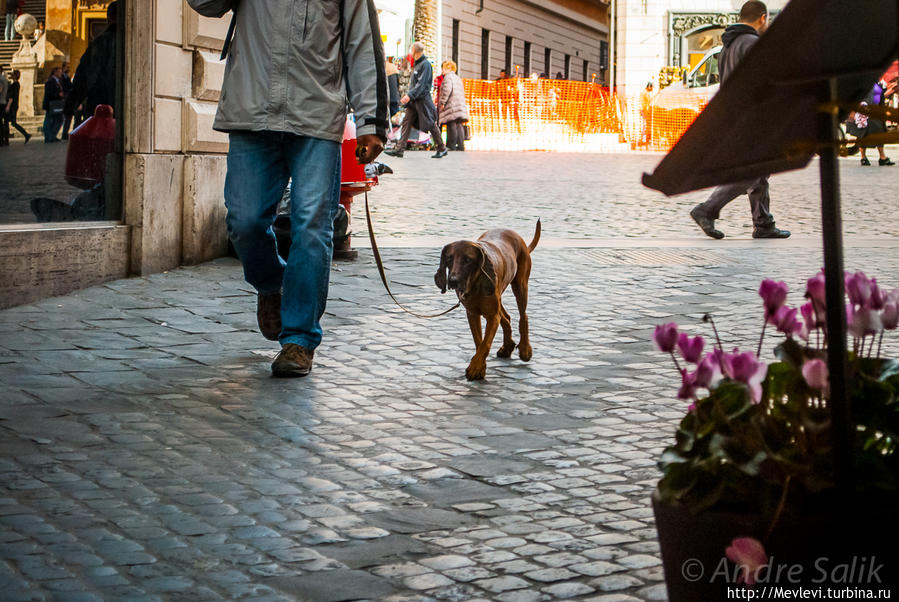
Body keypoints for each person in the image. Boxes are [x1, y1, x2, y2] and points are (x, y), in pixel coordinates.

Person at [187, 0, 388, 378]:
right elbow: (204, 4)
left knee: (312, 224)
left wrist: (370, 121)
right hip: (252, 109)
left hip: (315, 115)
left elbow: (362, 44)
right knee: (244, 221)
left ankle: (298, 339)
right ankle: (271, 283)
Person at [689, 0, 790, 240]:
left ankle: (763, 223)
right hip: (753, 117)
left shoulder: (728, 45)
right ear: (762, 18)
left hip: (735, 116)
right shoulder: (753, 44)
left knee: (760, 172)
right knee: (754, 172)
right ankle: (707, 209)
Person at [384, 41, 447, 159]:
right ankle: (399, 149)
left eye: (411, 50)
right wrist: (410, 96)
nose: (410, 53)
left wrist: (409, 96)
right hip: (414, 101)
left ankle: (441, 148)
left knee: (430, 123)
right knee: (406, 123)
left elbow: (421, 85)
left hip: (422, 100)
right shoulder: (418, 64)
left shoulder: (425, 65)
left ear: (414, 51)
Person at [66, 2, 117, 126]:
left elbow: (84, 75)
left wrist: (71, 104)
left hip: (101, 108)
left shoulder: (101, 42)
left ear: (108, 18)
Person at [848, 80, 895, 167]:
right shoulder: (863, 83)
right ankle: (863, 158)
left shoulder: (878, 84)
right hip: (864, 112)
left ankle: (882, 157)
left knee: (880, 134)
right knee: (862, 135)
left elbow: (881, 97)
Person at [438, 60, 470, 151]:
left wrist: (443, 102)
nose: (442, 71)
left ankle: (451, 145)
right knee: (459, 124)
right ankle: (460, 145)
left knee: (451, 123)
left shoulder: (448, 78)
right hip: (459, 104)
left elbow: (447, 91)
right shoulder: (457, 78)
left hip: (451, 104)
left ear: (448, 68)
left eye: (444, 69)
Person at [3, 69, 29, 144]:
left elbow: (11, 97)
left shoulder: (15, 85)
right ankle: (25, 134)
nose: (11, 76)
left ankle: (25, 134)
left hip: (12, 106)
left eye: (13, 75)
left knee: (10, 122)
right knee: (9, 122)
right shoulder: (15, 84)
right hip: (13, 105)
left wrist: (8, 106)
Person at [42, 66, 65, 143]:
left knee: (59, 119)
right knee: (49, 120)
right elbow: (49, 93)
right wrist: (58, 94)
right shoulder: (50, 81)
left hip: (57, 104)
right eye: (59, 71)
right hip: (51, 104)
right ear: (54, 72)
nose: (60, 73)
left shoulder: (59, 81)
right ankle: (48, 136)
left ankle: (52, 135)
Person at [59, 62, 74, 139]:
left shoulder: (67, 77)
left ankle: (65, 133)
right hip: (65, 100)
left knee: (68, 118)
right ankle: (64, 134)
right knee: (65, 118)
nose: (68, 69)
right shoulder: (62, 78)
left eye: (69, 67)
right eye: (67, 67)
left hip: (68, 100)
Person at [640, 81, 655, 148]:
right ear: (649, 86)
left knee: (644, 125)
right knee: (645, 126)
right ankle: (644, 140)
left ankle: (644, 139)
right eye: (651, 88)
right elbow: (650, 101)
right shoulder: (645, 94)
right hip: (645, 111)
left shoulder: (644, 93)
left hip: (644, 111)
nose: (652, 89)